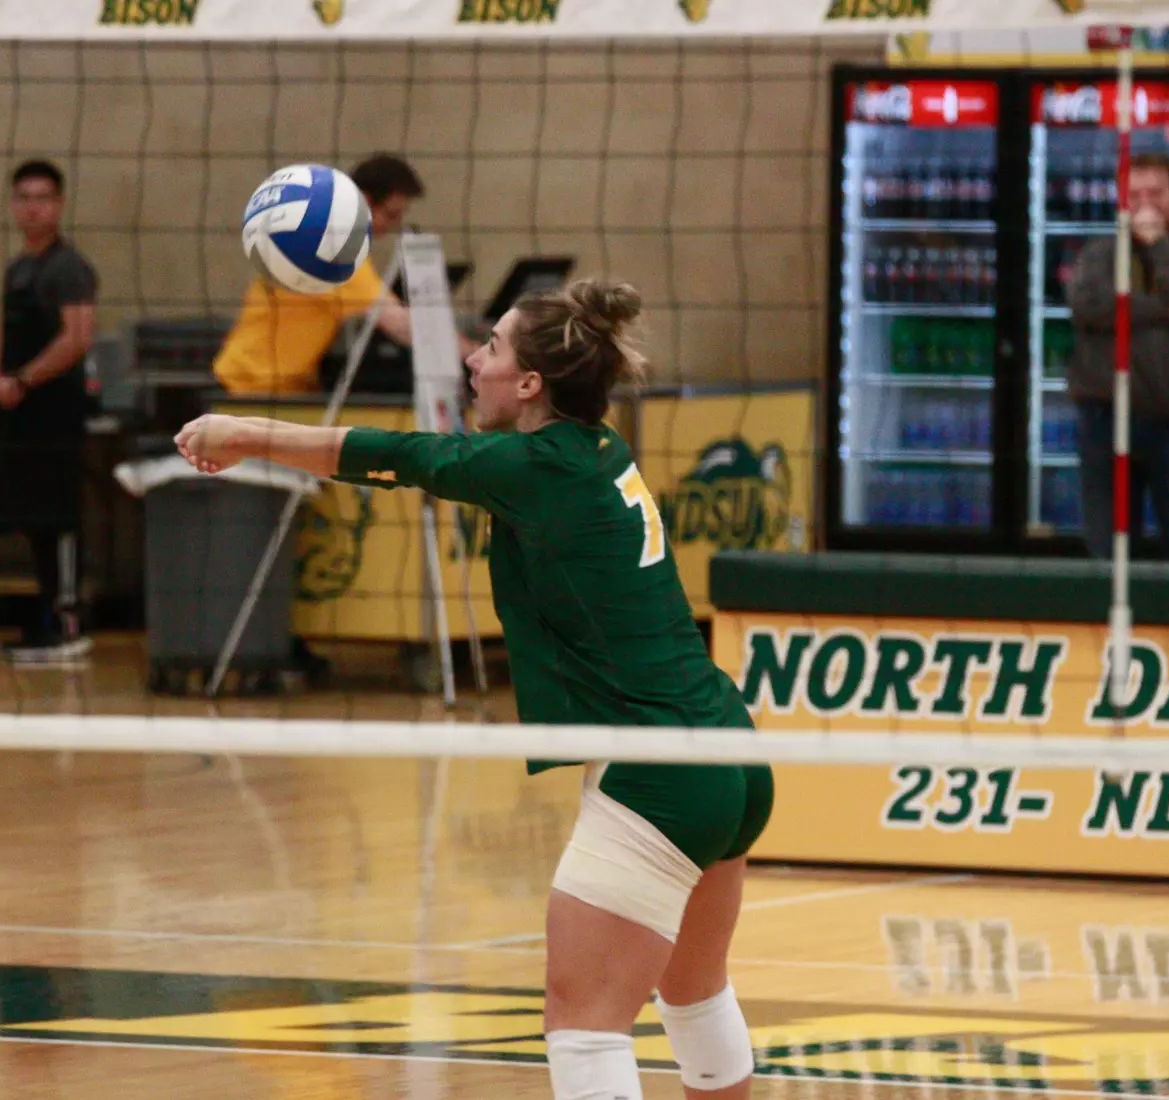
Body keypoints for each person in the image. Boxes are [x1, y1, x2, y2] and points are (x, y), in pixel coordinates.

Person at [177, 279, 772, 1100]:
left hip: (658, 770)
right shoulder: (598, 448)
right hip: (726, 748)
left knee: (583, 1022)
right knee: (694, 992)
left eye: (490, 347)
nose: (472, 358)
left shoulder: (529, 465)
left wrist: (244, 430)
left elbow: (390, 456)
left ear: (530, 384)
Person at [211, 153, 478, 395]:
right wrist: (478, 355)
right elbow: (400, 324)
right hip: (250, 387)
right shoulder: (331, 248)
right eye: (391, 214)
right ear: (364, 200)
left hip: (287, 386)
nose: (394, 225)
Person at [1065, 152, 1169, 560]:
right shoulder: (1100, 254)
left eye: (1157, 193)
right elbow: (1090, 307)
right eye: (1136, 194)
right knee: (1107, 551)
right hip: (1106, 420)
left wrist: (1160, 248)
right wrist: (1164, 310)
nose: (1146, 203)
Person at [0, 160, 98, 664]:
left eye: (43, 197)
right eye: (24, 197)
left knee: (59, 518)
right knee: (31, 522)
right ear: (13, 204)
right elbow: (6, 335)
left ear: (60, 203)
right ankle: (45, 619)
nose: (33, 207)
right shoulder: (17, 267)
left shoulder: (69, 268)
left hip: (55, 413)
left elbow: (77, 338)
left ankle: (68, 622)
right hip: (17, 415)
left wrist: (23, 381)